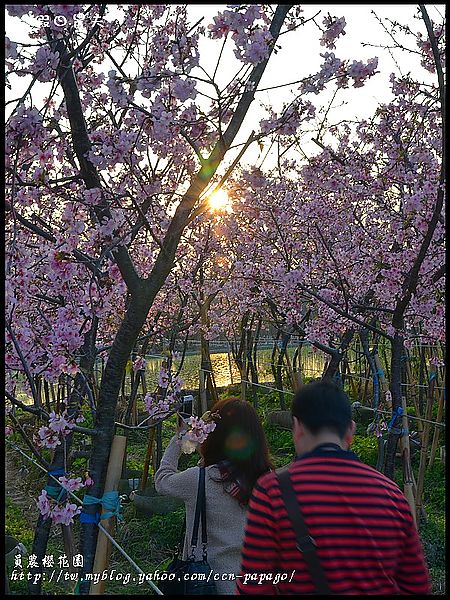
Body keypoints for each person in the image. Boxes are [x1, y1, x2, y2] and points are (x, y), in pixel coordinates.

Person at [237, 379, 431, 595]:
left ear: (297, 427)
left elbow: (253, 586)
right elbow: (417, 586)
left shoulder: (273, 490)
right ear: (351, 431)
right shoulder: (392, 494)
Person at [155, 397, 273, 595]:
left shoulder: (200, 479)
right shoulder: (269, 480)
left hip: (208, 585)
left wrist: (180, 437)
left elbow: (162, 480)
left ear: (214, 435)